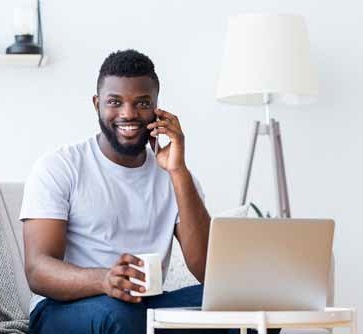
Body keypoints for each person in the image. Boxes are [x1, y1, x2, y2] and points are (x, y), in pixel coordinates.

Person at [20, 49, 280, 334]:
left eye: (142, 103)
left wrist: (178, 172)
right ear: (97, 104)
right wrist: (104, 279)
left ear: (157, 108)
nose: (128, 113)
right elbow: (38, 270)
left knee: (254, 308)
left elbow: (209, 271)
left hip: (146, 307)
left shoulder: (174, 175)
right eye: (114, 102)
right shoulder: (60, 167)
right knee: (120, 317)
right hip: (62, 309)